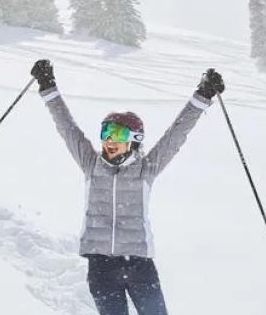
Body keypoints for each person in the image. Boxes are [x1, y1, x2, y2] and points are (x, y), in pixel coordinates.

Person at [31, 59, 225, 315]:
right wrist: (48, 86)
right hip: (101, 267)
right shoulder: (91, 164)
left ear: (134, 141)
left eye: (119, 135)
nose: (110, 140)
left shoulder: (146, 169)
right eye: (106, 132)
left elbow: (176, 135)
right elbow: (67, 128)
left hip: (139, 265)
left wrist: (202, 96)